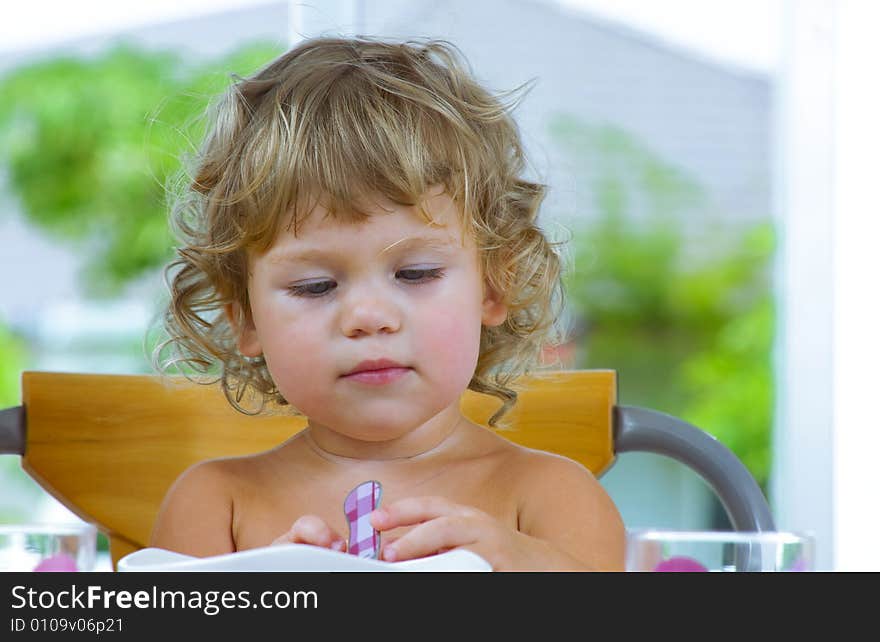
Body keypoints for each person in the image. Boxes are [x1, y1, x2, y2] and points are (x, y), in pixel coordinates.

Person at [149, 36, 625, 571]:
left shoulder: (553, 499)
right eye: (314, 286)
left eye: (416, 273)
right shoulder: (216, 505)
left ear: (493, 288)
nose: (368, 317)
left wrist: (526, 569)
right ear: (246, 317)